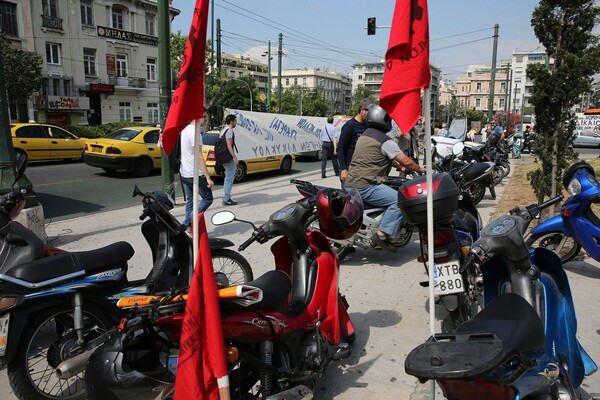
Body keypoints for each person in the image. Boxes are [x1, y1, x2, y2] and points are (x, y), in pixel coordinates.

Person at [345, 105, 425, 251]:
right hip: (365, 185)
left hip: (351, 182)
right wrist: (420, 169)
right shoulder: (385, 140)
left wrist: (399, 167)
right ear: (384, 120)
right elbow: (406, 160)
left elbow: (380, 156)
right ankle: (382, 234)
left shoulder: (366, 135)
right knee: (400, 200)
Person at [179, 114, 214, 233]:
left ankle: (189, 227)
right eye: (204, 117)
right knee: (208, 199)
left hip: (185, 172)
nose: (206, 119)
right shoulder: (195, 132)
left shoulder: (185, 129)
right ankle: (187, 222)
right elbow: (198, 157)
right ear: (197, 118)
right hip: (195, 174)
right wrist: (208, 177)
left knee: (190, 200)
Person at [338, 99, 372, 190]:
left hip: (362, 169)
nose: (371, 114)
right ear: (362, 110)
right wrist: (343, 169)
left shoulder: (368, 125)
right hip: (350, 168)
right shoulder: (349, 126)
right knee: (349, 199)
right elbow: (340, 148)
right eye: (369, 111)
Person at [220, 114, 239, 206]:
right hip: (228, 157)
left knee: (228, 177)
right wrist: (234, 157)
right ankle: (226, 198)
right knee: (229, 178)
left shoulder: (223, 130)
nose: (236, 122)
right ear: (231, 122)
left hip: (223, 157)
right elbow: (229, 145)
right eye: (235, 121)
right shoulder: (229, 131)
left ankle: (226, 195)